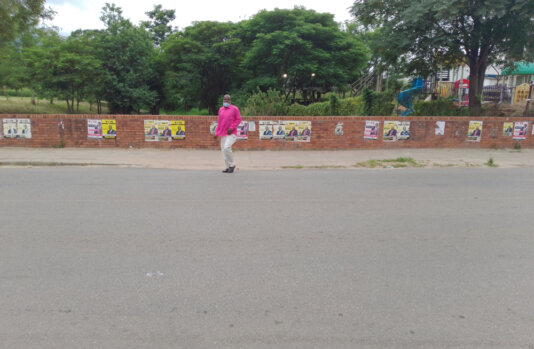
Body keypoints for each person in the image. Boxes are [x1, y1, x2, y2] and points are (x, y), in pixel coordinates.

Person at [215, 94, 242, 173]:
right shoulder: (221, 109)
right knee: (223, 150)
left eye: (227, 100)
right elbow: (219, 122)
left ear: (230, 101)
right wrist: (216, 133)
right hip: (223, 133)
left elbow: (238, 119)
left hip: (231, 133)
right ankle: (228, 167)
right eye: (224, 100)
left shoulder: (234, 109)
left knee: (227, 147)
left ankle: (232, 165)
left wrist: (232, 128)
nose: (226, 101)